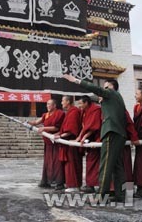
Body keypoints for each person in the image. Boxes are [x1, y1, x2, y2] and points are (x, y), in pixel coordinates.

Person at [64, 74, 129, 202]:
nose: (103, 90)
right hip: (119, 134)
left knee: (105, 165)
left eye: (106, 87)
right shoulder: (115, 99)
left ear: (112, 87)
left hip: (111, 133)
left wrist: (76, 81)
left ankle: (100, 196)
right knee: (117, 166)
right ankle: (120, 194)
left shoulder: (111, 93)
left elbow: (96, 89)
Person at [28, 99, 65, 190]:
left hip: (56, 141)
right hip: (48, 143)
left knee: (57, 163)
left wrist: (44, 128)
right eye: (47, 104)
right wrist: (28, 123)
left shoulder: (59, 113)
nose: (47, 106)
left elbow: (57, 127)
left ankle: (59, 182)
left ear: (54, 105)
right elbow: (36, 122)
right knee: (47, 163)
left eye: (49, 104)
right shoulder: (46, 115)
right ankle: (46, 181)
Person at [55, 95, 82, 192]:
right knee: (69, 164)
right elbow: (65, 128)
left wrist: (61, 136)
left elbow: (71, 129)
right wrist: (58, 134)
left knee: (72, 164)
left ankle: (73, 185)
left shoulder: (74, 112)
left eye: (63, 101)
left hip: (71, 142)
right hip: (67, 142)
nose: (61, 103)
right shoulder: (69, 112)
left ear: (68, 102)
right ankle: (72, 184)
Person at [77, 95, 102, 193]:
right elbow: (86, 126)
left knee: (95, 163)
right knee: (90, 162)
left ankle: (92, 185)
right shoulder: (85, 111)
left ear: (86, 103)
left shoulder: (96, 110)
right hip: (90, 140)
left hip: (98, 138)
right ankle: (90, 184)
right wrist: (80, 137)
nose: (79, 106)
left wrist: (83, 137)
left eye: (80, 103)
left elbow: (94, 126)